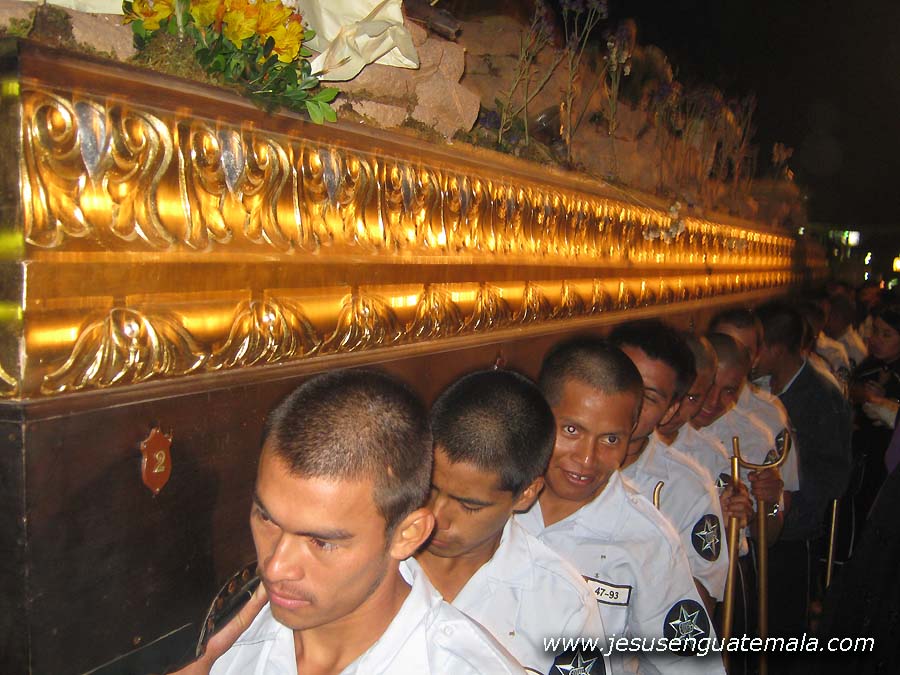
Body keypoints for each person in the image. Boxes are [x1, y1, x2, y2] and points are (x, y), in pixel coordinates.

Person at [178, 369, 524, 675]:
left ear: (407, 535)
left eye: (321, 542)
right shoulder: (219, 645)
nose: (275, 566)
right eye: (267, 518)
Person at [516, 338, 724, 675]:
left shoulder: (646, 540)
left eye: (611, 439)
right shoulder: (497, 503)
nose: (587, 459)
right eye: (571, 430)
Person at [417, 369, 609, 675]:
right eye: (429, 489)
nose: (436, 517)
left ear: (526, 494)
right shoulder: (371, 555)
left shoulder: (561, 603)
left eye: (469, 506)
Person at [608, 320, 730, 618]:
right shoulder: (557, 466)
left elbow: (698, 602)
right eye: (621, 384)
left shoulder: (688, 489)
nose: (630, 405)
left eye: (649, 397)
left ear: (670, 410)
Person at [754, 301, 852, 637]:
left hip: (794, 531)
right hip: (760, 524)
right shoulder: (760, 389)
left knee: (783, 627)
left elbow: (833, 475)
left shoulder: (821, 397)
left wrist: (787, 502)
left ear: (776, 349)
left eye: (756, 347)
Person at [691, 333, 794, 545]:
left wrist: (769, 504)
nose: (713, 401)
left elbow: (768, 537)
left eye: (728, 390)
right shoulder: (664, 426)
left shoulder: (754, 438)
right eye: (709, 386)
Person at [825, 292, 867, 369]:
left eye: (828, 315)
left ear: (838, 317)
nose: (826, 320)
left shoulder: (855, 348)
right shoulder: (826, 337)